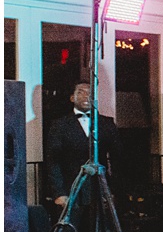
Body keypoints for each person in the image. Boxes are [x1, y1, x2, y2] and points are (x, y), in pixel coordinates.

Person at [45, 81, 122, 220]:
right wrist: (59, 193)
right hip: (72, 190)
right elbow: (53, 161)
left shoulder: (106, 123)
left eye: (90, 92)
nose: (86, 96)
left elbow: (118, 159)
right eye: (81, 92)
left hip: (100, 190)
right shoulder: (60, 125)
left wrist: (113, 190)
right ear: (72, 98)